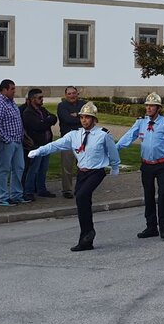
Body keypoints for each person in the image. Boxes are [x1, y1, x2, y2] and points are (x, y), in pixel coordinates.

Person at [29, 102, 120, 251]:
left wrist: (115, 166)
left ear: (94, 119)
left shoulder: (103, 135)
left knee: (82, 196)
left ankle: (89, 232)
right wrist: (39, 151)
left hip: (96, 171)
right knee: (82, 202)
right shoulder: (74, 135)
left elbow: (113, 152)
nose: (84, 120)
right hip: (82, 173)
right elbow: (56, 145)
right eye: (82, 117)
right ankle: (86, 238)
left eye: (88, 117)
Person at [117, 92, 164, 240]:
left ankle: (163, 227)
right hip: (146, 165)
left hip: (162, 164)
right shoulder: (141, 123)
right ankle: (151, 227)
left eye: (152, 106)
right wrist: (115, 148)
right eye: (147, 105)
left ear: (158, 108)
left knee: (163, 194)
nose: (148, 108)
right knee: (148, 195)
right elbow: (128, 137)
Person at [0, 79, 26, 207]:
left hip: (17, 140)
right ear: (4, 90)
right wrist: (6, 139)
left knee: (19, 167)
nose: (14, 91)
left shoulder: (11, 102)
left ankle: (16, 194)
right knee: (4, 169)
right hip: (6, 142)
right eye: (12, 89)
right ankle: (2, 197)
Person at [21, 89, 58, 200]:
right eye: (39, 98)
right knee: (33, 168)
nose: (42, 100)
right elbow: (38, 126)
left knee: (43, 168)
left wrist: (46, 121)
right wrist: (47, 121)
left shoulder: (42, 110)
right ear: (33, 99)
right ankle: (28, 191)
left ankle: (41, 189)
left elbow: (53, 118)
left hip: (46, 144)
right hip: (36, 145)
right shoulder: (28, 113)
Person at [56, 86, 87, 198]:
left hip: (83, 140)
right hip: (68, 141)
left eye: (74, 93)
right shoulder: (61, 106)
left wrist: (76, 116)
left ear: (77, 94)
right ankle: (67, 190)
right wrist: (80, 117)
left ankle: (81, 188)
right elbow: (67, 120)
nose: (72, 96)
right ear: (65, 95)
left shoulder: (84, 104)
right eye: (69, 94)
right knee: (67, 167)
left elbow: (89, 119)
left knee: (83, 166)